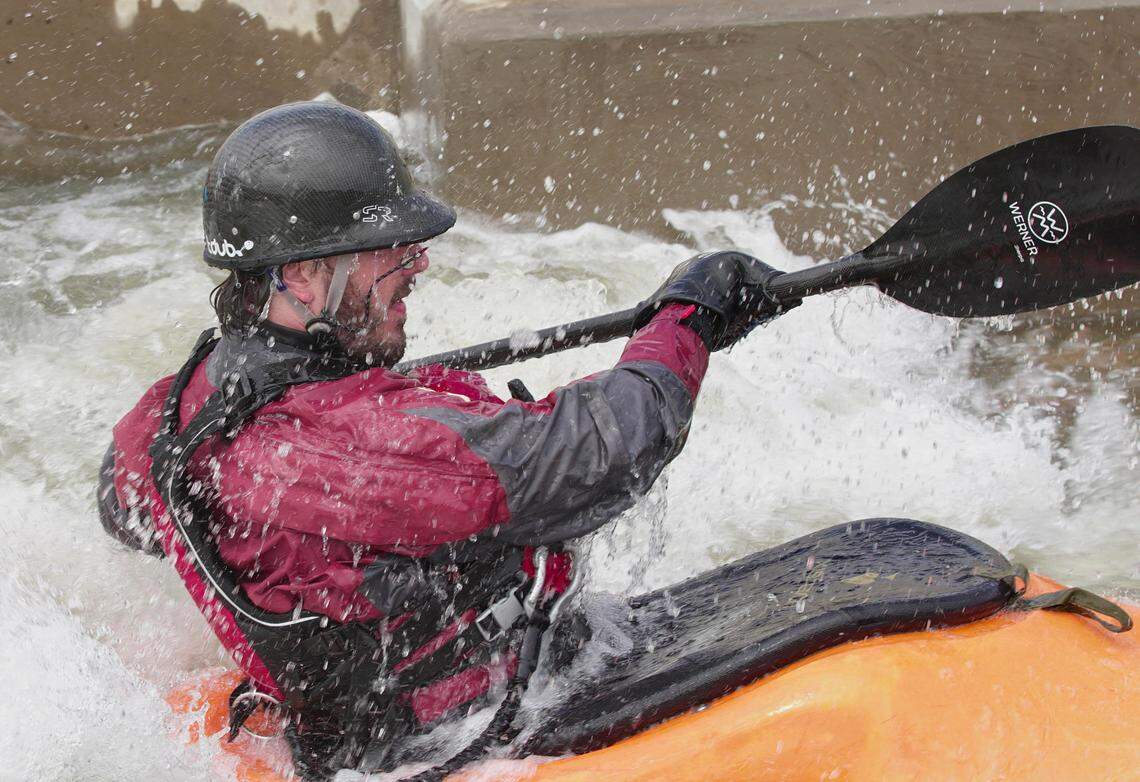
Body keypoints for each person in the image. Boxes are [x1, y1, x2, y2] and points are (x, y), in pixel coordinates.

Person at [96, 101, 795, 778]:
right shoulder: (364, 447)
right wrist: (687, 317)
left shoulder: (176, 407)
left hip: (352, 726)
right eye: (385, 250)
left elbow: (122, 507)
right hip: (462, 729)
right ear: (302, 277)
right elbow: (603, 452)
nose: (417, 262)